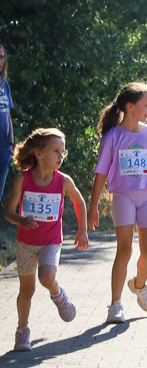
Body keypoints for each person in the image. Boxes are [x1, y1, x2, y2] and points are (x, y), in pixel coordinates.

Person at [4, 128, 89, 351]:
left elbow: (79, 202)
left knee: (46, 275)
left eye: (63, 152)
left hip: (51, 241)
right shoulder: (23, 180)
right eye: (56, 151)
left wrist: (83, 230)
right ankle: (22, 331)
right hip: (26, 244)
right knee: (27, 290)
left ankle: (58, 295)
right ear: (39, 153)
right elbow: (8, 212)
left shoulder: (63, 181)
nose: (61, 156)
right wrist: (21, 220)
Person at [88, 83, 147, 324]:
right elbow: (101, 173)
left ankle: (139, 285)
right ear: (130, 107)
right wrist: (93, 207)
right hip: (123, 197)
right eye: (146, 106)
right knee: (125, 249)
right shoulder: (113, 137)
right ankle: (115, 305)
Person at [0, 43, 15, 196]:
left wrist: (11, 143)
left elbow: (8, 115)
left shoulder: (5, 85)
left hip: (4, 149)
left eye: (2, 57)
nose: (0, 61)